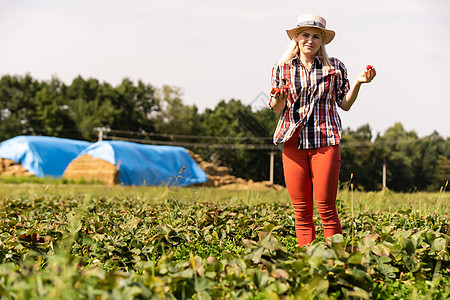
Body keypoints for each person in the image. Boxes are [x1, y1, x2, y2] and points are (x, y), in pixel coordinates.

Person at [269, 14, 376, 247]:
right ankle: (307, 262)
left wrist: (358, 82)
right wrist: (280, 99)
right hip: (293, 143)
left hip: (325, 140)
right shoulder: (282, 68)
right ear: (296, 37)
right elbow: (277, 108)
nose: (310, 40)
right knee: (302, 210)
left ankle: (337, 260)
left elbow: (344, 104)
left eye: (316, 36)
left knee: (326, 207)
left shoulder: (335, 67)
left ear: (323, 41)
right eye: (305, 35)